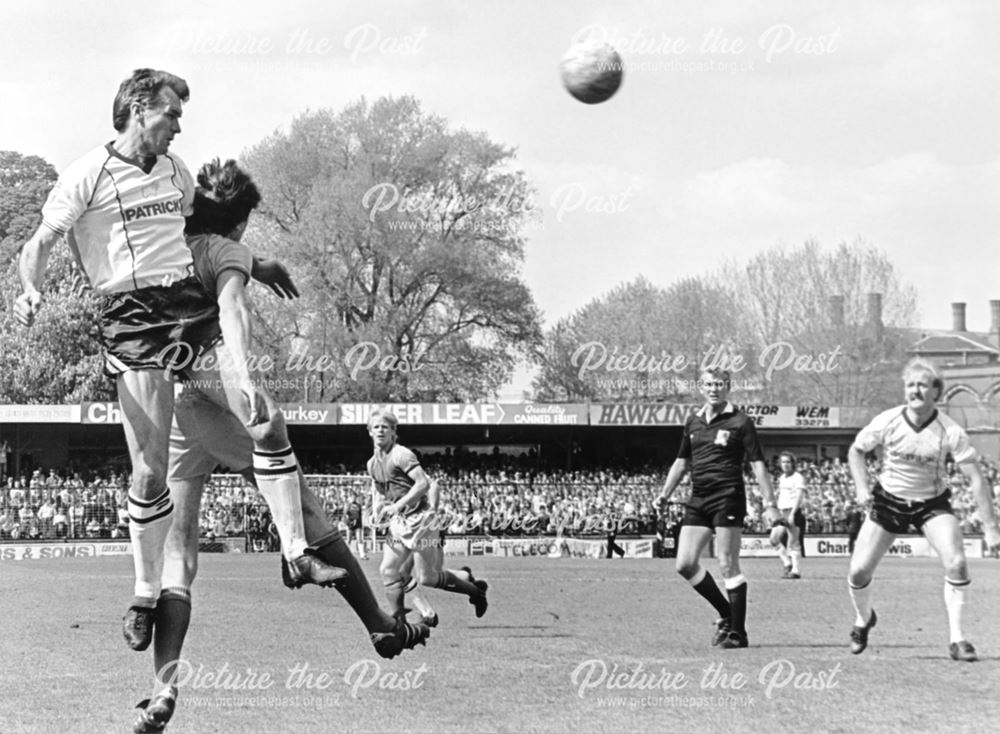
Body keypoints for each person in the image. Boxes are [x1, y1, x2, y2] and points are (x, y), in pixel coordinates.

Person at [14, 69, 338, 654]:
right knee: (148, 470)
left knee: (264, 416)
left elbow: (197, 230)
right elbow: (35, 245)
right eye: (171, 113)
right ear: (139, 109)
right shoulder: (86, 175)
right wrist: (30, 290)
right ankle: (143, 593)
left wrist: (253, 263)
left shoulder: (175, 171)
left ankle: (296, 553)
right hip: (132, 321)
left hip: (187, 311)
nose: (179, 126)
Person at [133, 159, 429, 734]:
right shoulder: (227, 251)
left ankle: (162, 690)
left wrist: (259, 264)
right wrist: (243, 374)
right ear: (241, 224)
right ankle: (359, 608)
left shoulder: (166, 236)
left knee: (180, 555)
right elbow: (232, 309)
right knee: (280, 451)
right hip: (209, 382)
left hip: (170, 401)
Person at [846, 358, 1000, 662]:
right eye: (910, 385)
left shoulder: (950, 431)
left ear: (936, 392)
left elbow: (975, 478)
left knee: (957, 563)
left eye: (922, 385)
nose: (915, 390)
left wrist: (991, 528)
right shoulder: (888, 420)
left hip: (931, 504)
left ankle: (958, 640)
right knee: (858, 571)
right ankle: (863, 619)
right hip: (888, 502)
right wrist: (862, 487)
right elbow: (856, 450)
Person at [657, 369, 780, 649]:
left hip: (728, 497)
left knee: (726, 563)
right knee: (685, 564)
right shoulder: (693, 421)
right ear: (702, 387)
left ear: (728, 388)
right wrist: (665, 495)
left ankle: (738, 633)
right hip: (699, 498)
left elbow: (758, 465)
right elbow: (681, 462)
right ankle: (727, 613)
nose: (714, 389)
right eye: (709, 384)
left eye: (719, 384)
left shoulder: (741, 422)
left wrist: (770, 505)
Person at [367, 410, 488, 623]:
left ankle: (475, 592)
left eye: (385, 427)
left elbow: (425, 484)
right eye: (375, 427)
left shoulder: (401, 454)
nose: (380, 430)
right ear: (369, 431)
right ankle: (401, 622)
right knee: (388, 570)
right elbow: (379, 488)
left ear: (393, 432)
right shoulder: (372, 464)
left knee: (427, 577)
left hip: (421, 521)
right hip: (400, 523)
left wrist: (425, 508)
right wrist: (377, 508)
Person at [774, 452, 806, 579]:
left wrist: (792, 513)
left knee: (793, 542)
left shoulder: (798, 477)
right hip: (782, 512)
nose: (785, 464)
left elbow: (799, 496)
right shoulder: (782, 478)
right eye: (783, 462)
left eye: (788, 462)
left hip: (792, 511)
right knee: (774, 539)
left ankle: (796, 571)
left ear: (793, 463)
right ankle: (788, 563)